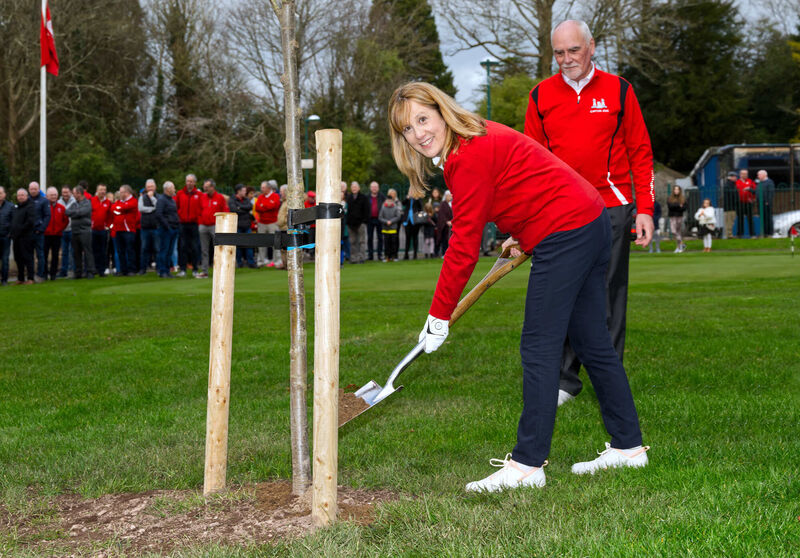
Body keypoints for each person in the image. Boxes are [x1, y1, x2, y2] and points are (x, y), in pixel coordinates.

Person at [389, 81, 648, 491]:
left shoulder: (466, 155)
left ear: (441, 111)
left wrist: (438, 315)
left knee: (539, 347)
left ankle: (528, 466)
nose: (418, 133)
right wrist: (520, 231)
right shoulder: (475, 135)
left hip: (567, 232)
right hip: (589, 220)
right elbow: (522, 182)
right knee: (592, 341)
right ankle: (629, 448)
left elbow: (464, 246)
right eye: (406, 128)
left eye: (423, 119)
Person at [525, 20, 654, 406]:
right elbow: (530, 163)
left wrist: (644, 210)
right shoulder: (539, 96)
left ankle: (606, 378)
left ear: (592, 47)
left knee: (608, 296)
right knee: (561, 295)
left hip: (612, 208)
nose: (566, 60)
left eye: (574, 51)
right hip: (560, 213)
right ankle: (564, 380)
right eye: (559, 53)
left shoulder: (620, 90)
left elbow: (641, 153)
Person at [196, 178, 228, 278]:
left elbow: (225, 211)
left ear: (212, 187)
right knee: (204, 249)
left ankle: (220, 270)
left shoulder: (220, 198)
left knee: (219, 248)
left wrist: (222, 225)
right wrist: (200, 222)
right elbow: (199, 210)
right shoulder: (202, 197)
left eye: (207, 187)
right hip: (203, 226)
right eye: (204, 187)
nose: (205, 189)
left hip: (215, 226)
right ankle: (205, 271)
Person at [66, 185, 96, 279]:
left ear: (79, 193)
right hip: (75, 231)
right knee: (76, 253)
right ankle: (78, 272)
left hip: (85, 231)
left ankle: (90, 271)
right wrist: (77, 212)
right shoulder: (74, 204)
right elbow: (67, 212)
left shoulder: (87, 203)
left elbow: (83, 212)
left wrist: (75, 213)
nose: (72, 195)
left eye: (74, 193)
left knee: (87, 252)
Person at [175, 174, 202, 277]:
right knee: (183, 247)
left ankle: (195, 269)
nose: (189, 183)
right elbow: (177, 207)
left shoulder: (199, 194)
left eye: (191, 181)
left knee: (195, 247)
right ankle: (183, 269)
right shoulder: (180, 193)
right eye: (187, 181)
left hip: (194, 224)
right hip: (183, 223)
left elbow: (201, 208)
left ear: (194, 182)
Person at [10, 188, 36, 284]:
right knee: (18, 258)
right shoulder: (16, 207)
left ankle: (30, 278)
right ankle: (20, 278)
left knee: (28, 257)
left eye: (22, 195)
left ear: (26, 196)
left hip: (26, 237)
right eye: (18, 195)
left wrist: (19, 229)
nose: (20, 197)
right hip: (16, 238)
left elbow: (30, 222)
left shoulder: (30, 206)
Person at [112, 185, 139, 275]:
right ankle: (123, 270)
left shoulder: (133, 201)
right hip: (119, 229)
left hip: (129, 230)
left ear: (127, 192)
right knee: (121, 251)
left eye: (122, 192)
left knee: (130, 250)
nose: (120, 194)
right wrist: (120, 209)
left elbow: (125, 208)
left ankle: (132, 269)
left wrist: (120, 209)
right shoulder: (119, 202)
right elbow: (113, 209)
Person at [228, 183, 257, 268]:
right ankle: (239, 263)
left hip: (247, 225)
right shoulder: (232, 199)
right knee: (238, 246)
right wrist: (243, 209)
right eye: (244, 191)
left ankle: (251, 263)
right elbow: (233, 210)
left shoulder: (246, 199)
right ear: (238, 191)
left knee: (249, 245)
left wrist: (240, 208)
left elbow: (250, 207)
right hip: (237, 225)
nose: (245, 192)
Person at [155, 181, 180, 278]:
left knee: (169, 251)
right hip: (165, 229)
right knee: (164, 250)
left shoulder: (172, 200)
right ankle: (162, 270)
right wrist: (167, 226)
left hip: (174, 228)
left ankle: (167, 270)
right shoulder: (161, 200)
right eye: (173, 188)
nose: (174, 190)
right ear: (168, 189)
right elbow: (159, 214)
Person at [254, 180, 281, 268]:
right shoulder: (260, 197)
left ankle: (277, 261)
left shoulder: (275, 196)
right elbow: (257, 207)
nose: (261, 189)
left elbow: (274, 206)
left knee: (275, 242)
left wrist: (263, 206)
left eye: (263, 187)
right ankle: (261, 261)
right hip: (262, 223)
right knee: (261, 243)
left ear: (268, 188)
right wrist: (266, 206)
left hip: (273, 222)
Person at [28, 181, 51, 282]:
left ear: (38, 189)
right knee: (29, 255)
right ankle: (30, 275)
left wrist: (41, 229)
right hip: (28, 233)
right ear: (29, 189)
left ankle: (40, 275)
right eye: (31, 189)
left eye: (35, 189)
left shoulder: (44, 201)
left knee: (40, 255)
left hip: (39, 233)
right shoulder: (26, 200)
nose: (33, 191)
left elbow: (47, 216)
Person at [44, 186, 68, 280]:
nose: (53, 196)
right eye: (51, 195)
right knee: (44, 255)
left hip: (57, 235)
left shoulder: (61, 208)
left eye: (55, 195)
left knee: (55, 255)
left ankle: (53, 274)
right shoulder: (44, 207)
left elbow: (65, 220)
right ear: (47, 196)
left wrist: (60, 229)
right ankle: (44, 273)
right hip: (46, 235)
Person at [137, 179, 160, 275]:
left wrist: (152, 199)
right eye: (148, 187)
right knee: (144, 249)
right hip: (145, 227)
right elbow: (141, 209)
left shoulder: (159, 197)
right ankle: (143, 269)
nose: (150, 189)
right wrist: (152, 209)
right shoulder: (142, 197)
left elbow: (158, 207)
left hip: (156, 227)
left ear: (155, 187)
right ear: (146, 188)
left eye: (152, 186)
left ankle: (159, 269)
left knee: (157, 249)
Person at [345, 181, 369, 263]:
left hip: (361, 223)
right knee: (352, 242)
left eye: (355, 187)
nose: (354, 188)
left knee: (362, 241)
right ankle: (353, 258)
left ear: (359, 188)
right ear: (351, 189)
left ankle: (362, 258)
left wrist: (364, 221)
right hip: (350, 224)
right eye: (353, 187)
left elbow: (367, 210)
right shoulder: (348, 198)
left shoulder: (364, 197)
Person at [91, 183, 112, 276]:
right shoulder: (91, 200)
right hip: (93, 230)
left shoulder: (108, 203)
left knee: (103, 251)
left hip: (103, 230)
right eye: (101, 190)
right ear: (97, 190)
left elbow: (111, 217)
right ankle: (94, 268)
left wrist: (108, 226)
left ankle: (101, 270)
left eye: (104, 190)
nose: (103, 192)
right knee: (94, 250)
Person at [57, 185, 76, 278]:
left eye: (67, 192)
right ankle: (63, 270)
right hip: (63, 230)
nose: (65, 194)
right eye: (63, 192)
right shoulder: (58, 202)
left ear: (70, 192)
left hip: (72, 229)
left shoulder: (75, 202)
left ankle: (71, 270)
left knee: (72, 251)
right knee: (64, 251)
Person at [379, 188, 403, 261]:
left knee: (394, 242)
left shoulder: (396, 205)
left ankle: (394, 256)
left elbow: (398, 216)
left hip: (393, 227)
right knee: (386, 243)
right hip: (386, 228)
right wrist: (386, 221)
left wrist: (391, 221)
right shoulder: (383, 207)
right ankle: (387, 257)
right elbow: (380, 217)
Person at [366, 181, 386, 261]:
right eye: (373, 187)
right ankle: (370, 255)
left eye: (376, 187)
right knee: (370, 238)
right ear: (370, 188)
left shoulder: (382, 197)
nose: (374, 188)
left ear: (378, 188)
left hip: (380, 219)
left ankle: (380, 255)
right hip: (370, 220)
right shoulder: (366, 197)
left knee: (380, 238)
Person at [0, 187, 15, 286]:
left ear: (5, 194)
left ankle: (4, 280)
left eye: (0, 193)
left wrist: (9, 234)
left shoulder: (10, 206)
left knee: (5, 260)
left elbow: (14, 222)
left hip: (5, 237)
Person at [735, 169, 756, 238]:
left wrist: (753, 199)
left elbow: (754, 190)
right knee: (740, 219)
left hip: (748, 203)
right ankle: (740, 234)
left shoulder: (750, 181)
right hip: (740, 203)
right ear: (740, 174)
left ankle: (752, 234)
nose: (745, 175)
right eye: (743, 174)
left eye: (746, 174)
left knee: (750, 219)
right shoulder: (737, 182)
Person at [667, 185, 687, 253]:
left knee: (679, 232)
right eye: (675, 189)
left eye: (677, 189)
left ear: (679, 191)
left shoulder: (683, 198)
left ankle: (679, 247)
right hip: (672, 216)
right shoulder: (670, 198)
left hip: (680, 216)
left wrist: (677, 206)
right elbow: (670, 207)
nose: (676, 191)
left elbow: (684, 208)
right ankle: (682, 244)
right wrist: (678, 205)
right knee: (673, 231)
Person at [757, 169, 775, 237]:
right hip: (760, 204)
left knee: (767, 218)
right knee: (762, 219)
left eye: (759, 175)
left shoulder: (769, 182)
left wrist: (768, 201)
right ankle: (763, 232)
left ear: (764, 175)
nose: (758, 176)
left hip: (766, 204)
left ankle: (769, 233)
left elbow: (771, 193)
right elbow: (757, 192)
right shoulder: (760, 183)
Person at [436, 190, 453, 255]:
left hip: (452, 224)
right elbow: (441, 215)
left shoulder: (453, 203)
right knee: (444, 240)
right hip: (445, 225)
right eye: (448, 196)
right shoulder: (443, 204)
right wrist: (446, 221)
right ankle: (444, 253)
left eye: (450, 196)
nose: (449, 197)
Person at [722, 171, 738, 238]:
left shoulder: (732, 184)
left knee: (731, 222)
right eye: (735, 176)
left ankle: (729, 234)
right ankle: (729, 235)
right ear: (731, 177)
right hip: (729, 207)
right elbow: (732, 195)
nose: (736, 178)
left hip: (731, 206)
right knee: (729, 222)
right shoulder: (729, 185)